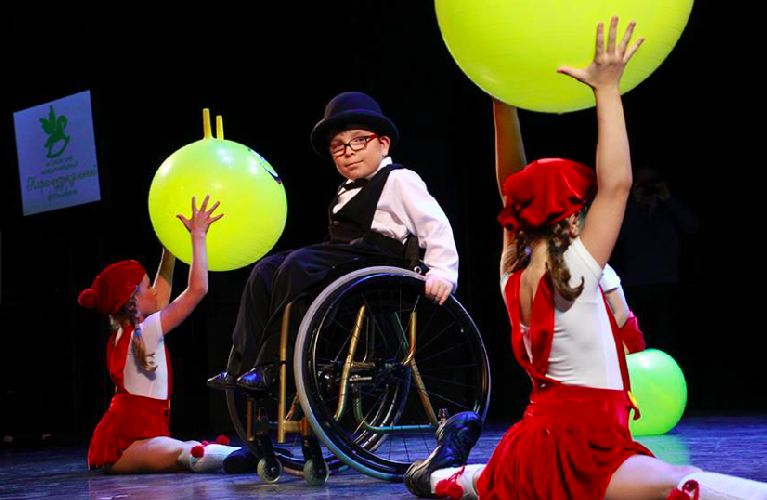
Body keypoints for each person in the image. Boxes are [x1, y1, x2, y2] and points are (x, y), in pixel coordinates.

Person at [404, 17, 767, 500]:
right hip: (587, 443)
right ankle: (439, 475)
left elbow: (511, 188)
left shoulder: (512, 268)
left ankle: (435, 474)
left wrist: (501, 101)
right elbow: (617, 184)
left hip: (536, 442)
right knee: (683, 484)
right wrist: (607, 89)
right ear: (572, 218)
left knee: (495, 481)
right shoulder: (575, 266)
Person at [207, 91, 459, 392]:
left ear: (383, 143)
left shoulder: (399, 179)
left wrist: (443, 272)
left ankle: (275, 365)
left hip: (379, 261)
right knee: (265, 269)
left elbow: (435, 224)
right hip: (345, 257)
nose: (348, 152)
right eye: (338, 146)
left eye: (359, 141)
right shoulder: (345, 189)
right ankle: (241, 366)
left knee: (299, 264)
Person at [79, 196, 244, 473]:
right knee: (188, 451)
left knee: (185, 449)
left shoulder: (125, 333)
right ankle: (253, 457)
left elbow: (161, 296)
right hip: (130, 442)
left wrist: (170, 247)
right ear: (132, 300)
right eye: (146, 287)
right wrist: (198, 235)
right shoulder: (144, 332)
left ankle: (249, 456)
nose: (153, 291)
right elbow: (197, 290)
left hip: (123, 440)